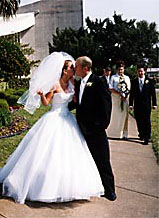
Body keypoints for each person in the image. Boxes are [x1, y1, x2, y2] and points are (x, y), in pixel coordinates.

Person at [0, 52, 104, 204]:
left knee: (70, 153)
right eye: (72, 67)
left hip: (68, 120)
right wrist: (42, 95)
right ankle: (41, 185)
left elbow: (76, 101)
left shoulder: (73, 84)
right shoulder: (55, 84)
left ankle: (68, 186)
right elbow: (46, 103)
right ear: (65, 70)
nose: (74, 69)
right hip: (53, 118)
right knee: (47, 151)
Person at [69, 56, 116, 201]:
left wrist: (101, 125)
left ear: (84, 68)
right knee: (87, 159)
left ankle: (109, 190)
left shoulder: (98, 81)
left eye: (76, 66)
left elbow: (106, 105)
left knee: (102, 159)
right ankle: (94, 187)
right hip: (80, 128)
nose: (73, 69)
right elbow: (78, 103)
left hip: (95, 130)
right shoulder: (78, 83)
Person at [129, 64, 157, 145]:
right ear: (137, 72)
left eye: (141, 71)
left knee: (146, 121)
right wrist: (131, 104)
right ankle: (141, 133)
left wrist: (154, 104)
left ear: (144, 71)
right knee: (139, 120)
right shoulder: (134, 82)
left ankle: (147, 137)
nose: (140, 72)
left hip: (146, 104)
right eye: (139, 71)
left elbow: (153, 94)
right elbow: (132, 94)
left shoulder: (150, 81)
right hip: (137, 104)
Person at [106, 61, 130, 139]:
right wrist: (119, 93)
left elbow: (129, 88)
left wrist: (124, 95)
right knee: (115, 116)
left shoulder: (127, 78)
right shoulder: (113, 77)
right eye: (119, 69)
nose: (120, 71)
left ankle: (124, 134)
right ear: (117, 69)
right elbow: (110, 88)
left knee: (124, 116)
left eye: (122, 69)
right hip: (115, 99)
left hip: (125, 99)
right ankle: (114, 133)